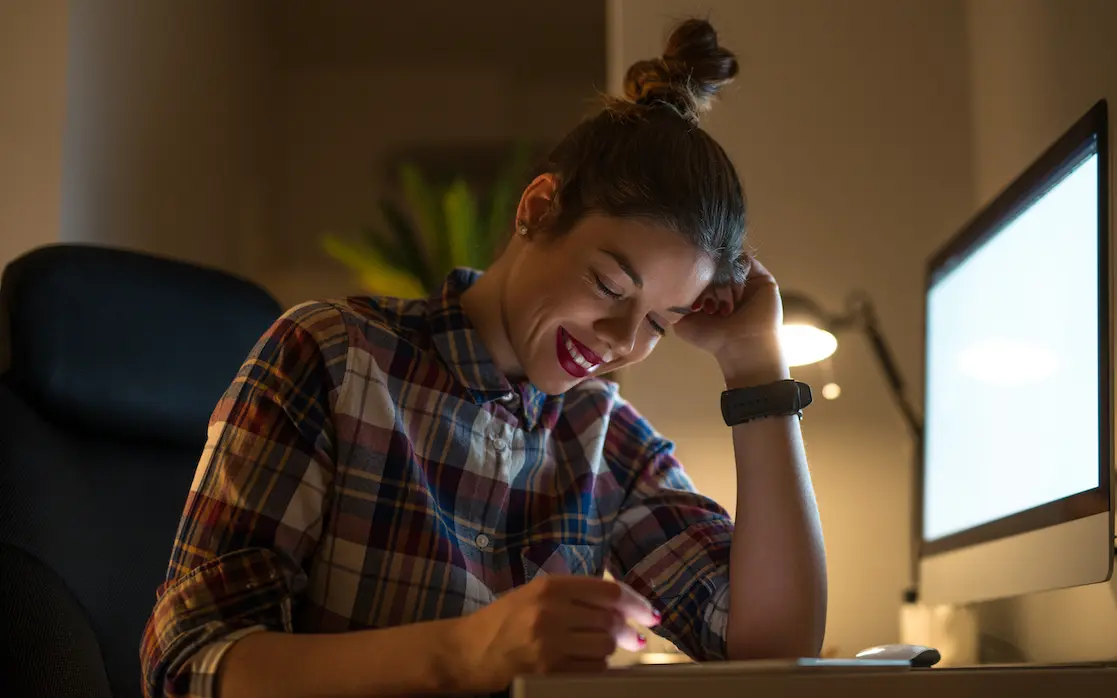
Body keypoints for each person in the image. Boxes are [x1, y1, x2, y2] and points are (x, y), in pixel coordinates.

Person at [140, 18, 826, 698]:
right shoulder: (333, 357)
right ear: (536, 208)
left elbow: (768, 646)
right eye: (608, 286)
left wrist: (754, 366)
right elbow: (192, 664)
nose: (621, 340)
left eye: (659, 323)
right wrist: (467, 653)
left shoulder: (602, 437)